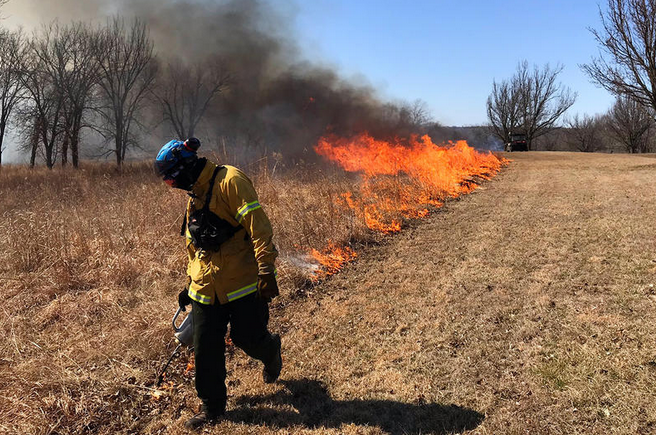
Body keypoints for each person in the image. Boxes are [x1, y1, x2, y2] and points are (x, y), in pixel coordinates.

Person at [154, 138, 282, 430]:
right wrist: (191, 284)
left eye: (172, 178)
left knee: (247, 338)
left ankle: (271, 350)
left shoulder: (230, 182)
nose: (172, 185)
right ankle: (211, 407)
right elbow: (194, 245)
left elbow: (259, 228)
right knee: (205, 349)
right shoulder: (195, 196)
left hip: (242, 283)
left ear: (186, 167)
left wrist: (266, 270)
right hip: (204, 289)